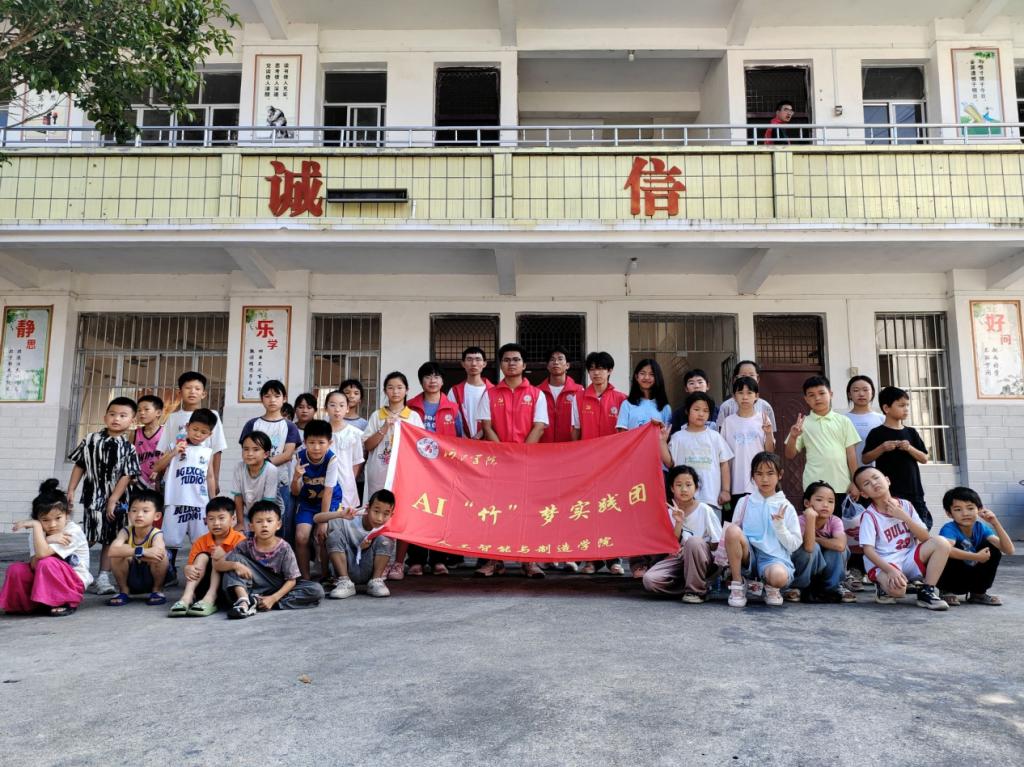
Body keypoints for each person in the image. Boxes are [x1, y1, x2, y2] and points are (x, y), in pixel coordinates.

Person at [475, 343, 548, 578]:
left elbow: (539, 426)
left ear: (524, 365)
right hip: (498, 463)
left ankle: (529, 561)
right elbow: (487, 426)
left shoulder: (536, 394)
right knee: (496, 510)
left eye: (516, 359)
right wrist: (504, 455)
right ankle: (494, 560)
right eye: (506, 360)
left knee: (527, 511)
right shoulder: (490, 394)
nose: (511, 363)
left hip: (528, 463)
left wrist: (521, 455)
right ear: (501, 365)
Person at [67, 396, 141, 596]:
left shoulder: (129, 448)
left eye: (123, 415)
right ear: (105, 416)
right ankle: (73, 571)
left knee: (111, 538)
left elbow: (127, 475)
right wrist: (71, 489)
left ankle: (103, 577)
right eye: (112, 414)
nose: (116, 418)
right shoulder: (90, 440)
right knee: (90, 536)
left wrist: (113, 500)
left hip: (118, 501)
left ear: (132, 421)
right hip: (93, 498)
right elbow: (80, 465)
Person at [853, 466, 951, 610]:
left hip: (908, 557)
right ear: (864, 494)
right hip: (884, 563)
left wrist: (904, 517)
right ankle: (882, 585)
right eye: (867, 483)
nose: (874, 483)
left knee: (941, 543)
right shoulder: (869, 515)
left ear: (887, 480)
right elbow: (868, 551)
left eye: (876, 477)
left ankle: (927, 591)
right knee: (898, 592)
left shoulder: (906, 505)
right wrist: (890, 570)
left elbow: (925, 537)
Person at [0, 479, 90, 617]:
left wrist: (41, 534)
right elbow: (34, 564)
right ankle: (29, 605)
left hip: (73, 582)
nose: (52, 525)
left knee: (47, 562)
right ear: (37, 519)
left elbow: (42, 554)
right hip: (43, 579)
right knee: (16, 569)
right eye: (45, 520)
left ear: (67, 514)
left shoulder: (72, 531)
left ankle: (64, 601)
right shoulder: (37, 532)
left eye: (58, 518)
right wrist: (45, 537)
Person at [219, 501, 324, 618]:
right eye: (259, 521)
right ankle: (244, 602)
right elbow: (220, 564)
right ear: (251, 526)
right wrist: (236, 565)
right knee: (234, 559)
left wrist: (273, 598)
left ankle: (260, 602)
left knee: (316, 590)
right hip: (253, 583)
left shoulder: (284, 548)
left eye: (269, 521)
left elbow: (291, 580)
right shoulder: (245, 545)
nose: (264, 525)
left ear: (278, 525)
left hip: (278, 585)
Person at [723, 452, 801, 608]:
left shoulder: (786, 507)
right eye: (759, 474)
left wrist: (780, 527)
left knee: (779, 576)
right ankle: (738, 584)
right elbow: (734, 537)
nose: (764, 479)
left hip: (773, 559)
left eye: (770, 473)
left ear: (780, 475)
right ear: (753, 476)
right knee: (731, 530)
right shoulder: (744, 502)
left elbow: (794, 545)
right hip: (748, 556)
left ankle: (771, 587)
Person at [577, 351, 628, 575]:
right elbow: (575, 431)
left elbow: (625, 433)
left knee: (611, 509)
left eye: (601, 368)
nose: (596, 373)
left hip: (613, 465)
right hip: (587, 465)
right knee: (588, 511)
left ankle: (613, 559)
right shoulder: (579, 398)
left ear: (609, 371)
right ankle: (591, 560)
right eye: (592, 369)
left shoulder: (622, 399)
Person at [152, 408, 217, 585]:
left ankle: (200, 575)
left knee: (201, 541)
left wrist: (212, 502)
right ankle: (169, 572)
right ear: (187, 427)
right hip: (176, 501)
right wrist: (174, 452)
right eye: (195, 429)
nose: (198, 434)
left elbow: (210, 477)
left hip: (200, 503)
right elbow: (157, 467)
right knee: (170, 540)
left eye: (203, 432)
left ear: (210, 434)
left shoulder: (208, 451)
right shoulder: (175, 446)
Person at [406, 364, 460, 575]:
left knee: (441, 512)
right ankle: (416, 560)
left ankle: (439, 559)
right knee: (418, 511)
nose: (432, 380)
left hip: (443, 470)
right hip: (417, 468)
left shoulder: (453, 408)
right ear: (421, 381)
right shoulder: (410, 407)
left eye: (437, 376)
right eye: (428, 377)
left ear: (443, 381)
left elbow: (459, 440)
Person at [642, 466, 722, 603]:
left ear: (696, 488)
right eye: (679, 485)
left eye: (688, 485)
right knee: (650, 580)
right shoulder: (668, 513)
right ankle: (690, 586)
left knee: (693, 542)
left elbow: (717, 543)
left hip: (702, 560)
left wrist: (693, 547)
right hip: (677, 558)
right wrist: (678, 522)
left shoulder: (705, 510)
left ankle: (695, 592)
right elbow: (669, 545)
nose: (684, 489)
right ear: (672, 488)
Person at [862, 386, 932, 529]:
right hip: (889, 493)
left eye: (907, 405)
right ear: (886, 408)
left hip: (913, 491)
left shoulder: (911, 432)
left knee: (920, 528)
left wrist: (909, 448)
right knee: (894, 530)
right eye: (901, 405)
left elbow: (924, 458)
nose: (906, 409)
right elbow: (865, 459)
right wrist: (882, 448)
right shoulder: (877, 433)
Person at [784, 375, 860, 505]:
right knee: (814, 518)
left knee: (839, 518)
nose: (817, 398)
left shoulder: (844, 421)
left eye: (821, 393)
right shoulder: (803, 423)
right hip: (813, 485)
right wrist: (793, 436)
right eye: (811, 395)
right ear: (806, 399)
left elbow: (851, 454)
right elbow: (789, 454)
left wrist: (855, 482)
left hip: (842, 485)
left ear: (831, 394)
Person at [936, 487, 1014, 606]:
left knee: (993, 548)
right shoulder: (949, 529)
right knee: (947, 548)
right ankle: (946, 591)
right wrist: (976, 557)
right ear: (949, 513)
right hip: (953, 578)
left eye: (970, 508)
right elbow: (946, 550)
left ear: (979, 509)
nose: (965, 513)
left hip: (971, 576)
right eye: (958, 509)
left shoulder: (981, 528)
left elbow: (1009, 550)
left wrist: (995, 523)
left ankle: (978, 593)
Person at [169, 496, 245, 617]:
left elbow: (244, 568)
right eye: (211, 519)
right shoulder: (201, 541)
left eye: (221, 518)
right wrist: (188, 569)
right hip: (204, 588)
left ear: (233, 519)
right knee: (202, 556)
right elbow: (191, 566)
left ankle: (211, 598)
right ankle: (186, 597)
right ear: (205, 520)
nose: (216, 523)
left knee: (218, 557)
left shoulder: (240, 540)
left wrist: (225, 558)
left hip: (230, 587)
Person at [238, 379, 301, 524]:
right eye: (267, 396)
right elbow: (247, 450)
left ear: (284, 398)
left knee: (279, 522)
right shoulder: (252, 424)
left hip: (280, 481)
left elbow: (287, 455)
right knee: (254, 520)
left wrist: (261, 463)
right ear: (262, 399)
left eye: (277, 396)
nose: (272, 400)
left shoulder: (289, 426)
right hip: (253, 481)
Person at [784, 482, 855, 603]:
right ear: (807, 503)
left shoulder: (835, 521)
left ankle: (834, 587)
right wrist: (811, 518)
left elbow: (840, 545)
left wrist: (816, 539)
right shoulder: (799, 521)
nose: (825, 505)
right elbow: (809, 547)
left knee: (840, 550)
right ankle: (796, 587)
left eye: (830, 501)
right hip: (807, 571)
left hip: (827, 568)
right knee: (811, 548)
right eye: (819, 500)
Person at [662, 392, 733, 511]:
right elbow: (669, 463)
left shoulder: (715, 437)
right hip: (683, 499)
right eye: (696, 409)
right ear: (687, 411)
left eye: (706, 411)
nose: (701, 414)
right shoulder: (678, 437)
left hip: (711, 498)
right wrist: (662, 442)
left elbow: (724, 464)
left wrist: (725, 490)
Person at [292, 419, 344, 581]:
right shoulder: (298, 457)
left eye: (321, 443)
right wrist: (296, 477)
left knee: (323, 535)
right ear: (305, 442)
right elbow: (295, 492)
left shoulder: (331, 459)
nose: (316, 447)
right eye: (312, 442)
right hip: (307, 502)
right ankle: (305, 579)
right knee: (301, 537)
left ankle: (325, 576)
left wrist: (323, 521)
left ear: (329, 443)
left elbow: (328, 492)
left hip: (330, 500)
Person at [323, 489, 396, 599]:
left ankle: (376, 581)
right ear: (368, 508)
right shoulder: (351, 516)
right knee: (334, 536)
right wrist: (340, 514)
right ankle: (345, 582)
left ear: (391, 514)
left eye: (386, 514)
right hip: (348, 566)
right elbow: (316, 518)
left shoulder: (388, 526)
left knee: (386, 538)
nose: (379, 518)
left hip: (369, 569)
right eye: (376, 511)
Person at [718, 376, 775, 520]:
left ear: (757, 396)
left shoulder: (763, 419)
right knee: (734, 522)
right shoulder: (728, 422)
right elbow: (723, 457)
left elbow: (769, 452)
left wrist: (768, 433)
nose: (745, 397)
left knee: (757, 522)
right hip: (734, 483)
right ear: (734, 396)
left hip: (758, 483)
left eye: (749, 393)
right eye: (740, 393)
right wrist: (725, 488)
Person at [105, 490, 168, 607]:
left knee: (162, 556)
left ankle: (157, 590)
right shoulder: (126, 531)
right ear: (129, 514)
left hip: (150, 579)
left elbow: (158, 553)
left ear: (157, 516)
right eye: (134, 510)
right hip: (130, 579)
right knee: (117, 554)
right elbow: (112, 551)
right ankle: (124, 591)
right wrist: (142, 551)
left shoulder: (156, 533)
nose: (139, 515)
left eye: (145, 511)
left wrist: (130, 552)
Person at [233, 431, 281, 531]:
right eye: (246, 449)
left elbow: (267, 503)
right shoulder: (239, 467)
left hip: (270, 513)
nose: (249, 454)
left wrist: (258, 525)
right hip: (248, 512)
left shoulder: (271, 470)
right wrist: (240, 523)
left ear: (266, 454)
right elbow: (238, 497)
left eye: (256, 449)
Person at [715, 360, 777, 432]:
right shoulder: (726, 407)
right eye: (743, 376)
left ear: (758, 379)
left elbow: (771, 434)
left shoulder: (765, 406)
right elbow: (720, 433)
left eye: (751, 375)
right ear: (735, 379)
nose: (748, 379)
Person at [447, 347, 494, 439]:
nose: (474, 363)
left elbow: (497, 418)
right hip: (462, 442)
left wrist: (479, 435)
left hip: (488, 441)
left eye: (478, 359)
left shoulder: (493, 391)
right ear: (463, 364)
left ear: (484, 364)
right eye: (469, 359)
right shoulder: (455, 391)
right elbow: (451, 418)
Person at [538, 346, 582, 443]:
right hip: (543, 447)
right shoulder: (537, 392)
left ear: (567, 365)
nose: (556, 362)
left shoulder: (579, 391)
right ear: (547, 366)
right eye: (552, 359)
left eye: (560, 359)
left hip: (569, 446)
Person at [616, 358, 671, 431]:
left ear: (657, 377)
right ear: (636, 377)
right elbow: (622, 434)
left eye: (651, 374)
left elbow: (667, 434)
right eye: (642, 373)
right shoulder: (627, 404)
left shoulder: (665, 407)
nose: (646, 377)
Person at [844, 375, 884, 467]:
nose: (861, 394)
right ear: (849, 394)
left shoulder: (882, 419)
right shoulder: (843, 419)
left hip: (877, 472)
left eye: (865, 390)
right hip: (850, 472)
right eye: (856, 390)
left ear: (872, 393)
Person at [670, 369, 719, 435]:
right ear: (686, 389)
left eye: (700, 382)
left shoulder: (718, 411)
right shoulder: (678, 414)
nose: (696, 386)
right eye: (691, 383)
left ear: (708, 386)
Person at [133, 394, 164, 492]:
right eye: (139, 410)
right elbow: (129, 457)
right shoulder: (134, 433)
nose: (142, 413)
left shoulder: (166, 432)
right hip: (138, 482)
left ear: (158, 412)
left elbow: (170, 456)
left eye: (146, 409)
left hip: (160, 481)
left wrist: (160, 471)